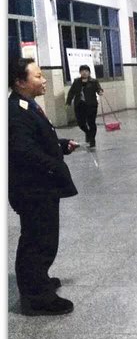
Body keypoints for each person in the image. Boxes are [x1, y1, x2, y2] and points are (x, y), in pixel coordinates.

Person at [8, 57, 79, 316]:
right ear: (20, 82)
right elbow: (23, 151)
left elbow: (36, 141)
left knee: (43, 238)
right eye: (37, 76)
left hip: (40, 186)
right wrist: (55, 166)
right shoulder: (16, 111)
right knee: (38, 241)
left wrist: (60, 146)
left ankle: (38, 280)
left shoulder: (27, 105)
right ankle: (36, 298)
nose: (44, 79)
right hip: (33, 189)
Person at [65, 64, 103, 148]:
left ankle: (92, 140)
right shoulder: (76, 81)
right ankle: (88, 133)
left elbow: (99, 89)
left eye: (86, 71)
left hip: (91, 105)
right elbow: (71, 92)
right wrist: (68, 102)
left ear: (89, 72)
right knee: (80, 123)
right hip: (80, 105)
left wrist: (100, 91)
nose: (84, 72)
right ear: (80, 72)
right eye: (82, 71)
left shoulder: (94, 81)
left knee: (91, 123)